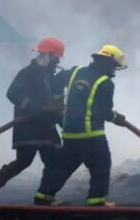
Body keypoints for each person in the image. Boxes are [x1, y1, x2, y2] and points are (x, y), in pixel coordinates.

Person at [34, 44, 127, 207]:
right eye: (114, 66)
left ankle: (42, 198)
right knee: (101, 166)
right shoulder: (105, 83)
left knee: (62, 168)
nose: (114, 71)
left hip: (70, 134)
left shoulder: (76, 72)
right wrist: (116, 118)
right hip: (92, 136)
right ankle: (96, 202)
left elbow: (56, 81)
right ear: (106, 62)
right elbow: (104, 112)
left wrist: (57, 99)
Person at [0, 37, 66, 205]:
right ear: (48, 56)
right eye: (56, 58)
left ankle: (46, 197)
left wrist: (63, 120)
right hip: (28, 127)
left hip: (46, 127)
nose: (57, 62)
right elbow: (13, 93)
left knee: (55, 162)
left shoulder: (50, 77)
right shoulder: (28, 73)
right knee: (23, 161)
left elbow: (54, 103)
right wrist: (32, 107)